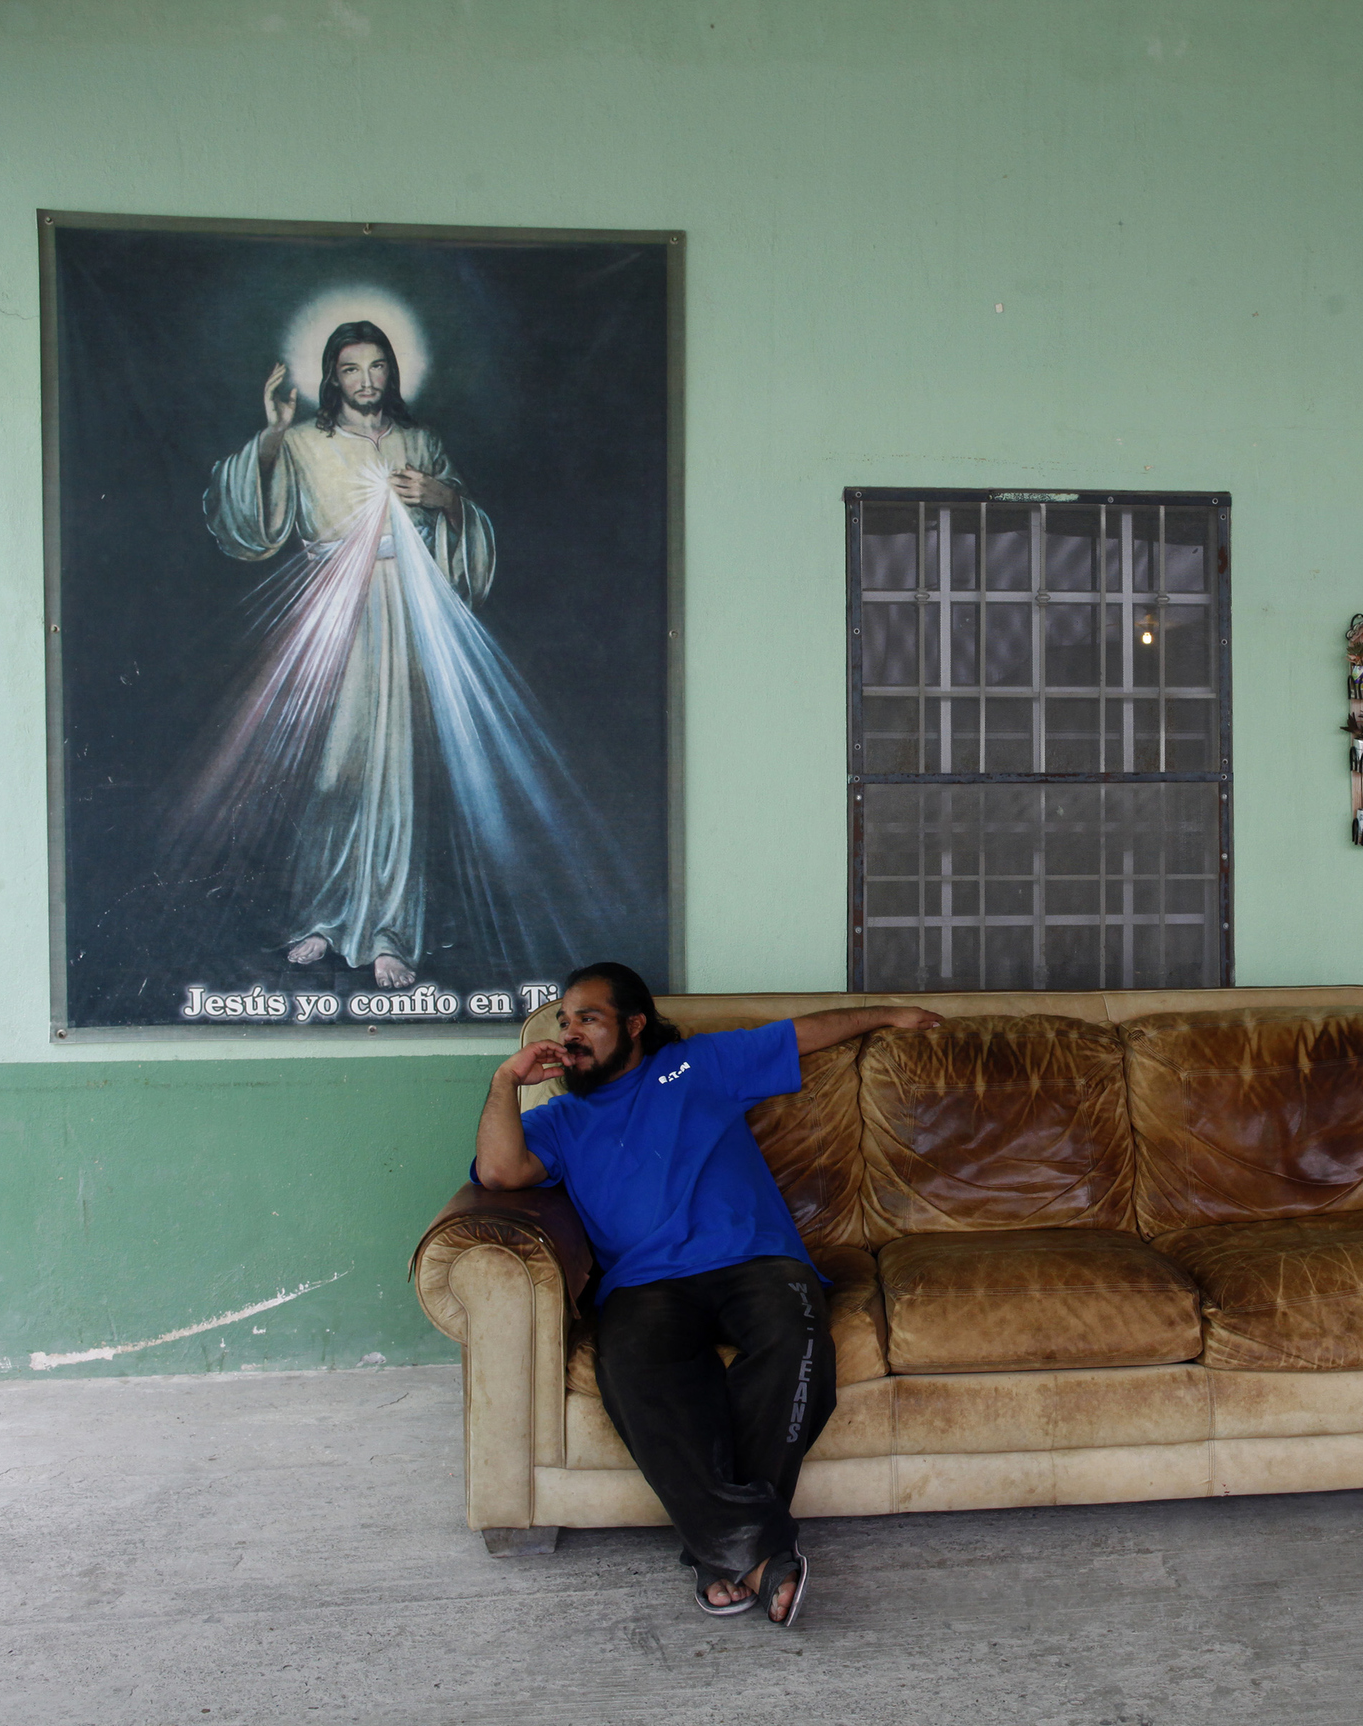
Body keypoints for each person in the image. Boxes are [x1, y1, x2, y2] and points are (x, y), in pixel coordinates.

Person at [473, 962, 943, 1625]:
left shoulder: (697, 1066)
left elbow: (800, 1035)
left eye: (589, 1018)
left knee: (797, 1341)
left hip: (756, 1260)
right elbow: (498, 1171)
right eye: (564, 1020)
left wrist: (885, 1013)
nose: (570, 1032)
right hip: (646, 1283)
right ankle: (756, 1550)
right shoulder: (559, 1121)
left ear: (634, 1026)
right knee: (632, 1374)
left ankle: (722, 1552)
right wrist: (504, 1081)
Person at [202, 320, 497, 987]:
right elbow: (250, 523)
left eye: (377, 367)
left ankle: (391, 930)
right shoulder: (304, 441)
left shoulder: (420, 442)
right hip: (333, 612)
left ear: (392, 372)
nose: (366, 382)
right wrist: (274, 432)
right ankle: (321, 918)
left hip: (405, 615)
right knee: (333, 773)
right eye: (351, 369)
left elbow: (467, 535)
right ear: (332, 377)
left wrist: (446, 498)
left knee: (399, 776)